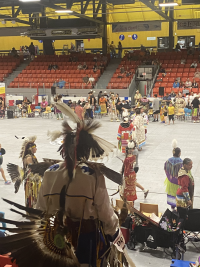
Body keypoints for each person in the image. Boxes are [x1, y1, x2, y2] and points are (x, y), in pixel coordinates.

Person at [36, 108, 119, 267]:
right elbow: (106, 214)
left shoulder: (49, 172)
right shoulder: (93, 175)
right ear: (88, 150)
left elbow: (39, 210)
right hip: (85, 240)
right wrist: (113, 232)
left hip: (55, 238)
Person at [164, 140, 183, 210]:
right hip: (178, 182)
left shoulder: (168, 161)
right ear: (179, 153)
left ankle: (172, 208)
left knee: (171, 193)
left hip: (170, 181)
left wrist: (170, 176)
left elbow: (165, 168)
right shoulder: (181, 162)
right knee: (178, 194)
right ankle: (178, 208)